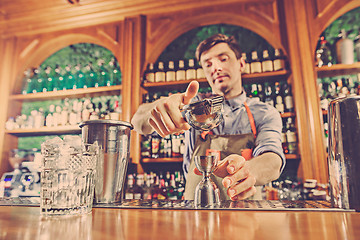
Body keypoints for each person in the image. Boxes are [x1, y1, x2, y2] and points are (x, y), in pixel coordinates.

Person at [131, 34, 285, 200]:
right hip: (195, 212)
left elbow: (273, 162)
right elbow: (137, 121)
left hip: (245, 212)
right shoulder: (193, 107)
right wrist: (160, 108)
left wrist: (244, 170)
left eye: (223, 59)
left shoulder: (264, 112)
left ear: (241, 64)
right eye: (208, 64)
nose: (216, 68)